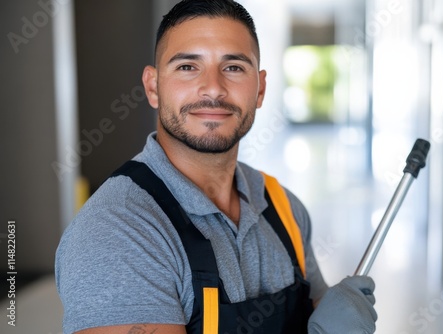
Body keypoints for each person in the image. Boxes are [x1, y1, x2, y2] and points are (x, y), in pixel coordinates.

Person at [55, 1, 377, 333]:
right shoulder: (117, 231)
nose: (213, 88)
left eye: (234, 67)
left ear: (260, 89)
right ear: (153, 87)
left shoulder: (284, 208)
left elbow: (315, 311)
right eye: (187, 67)